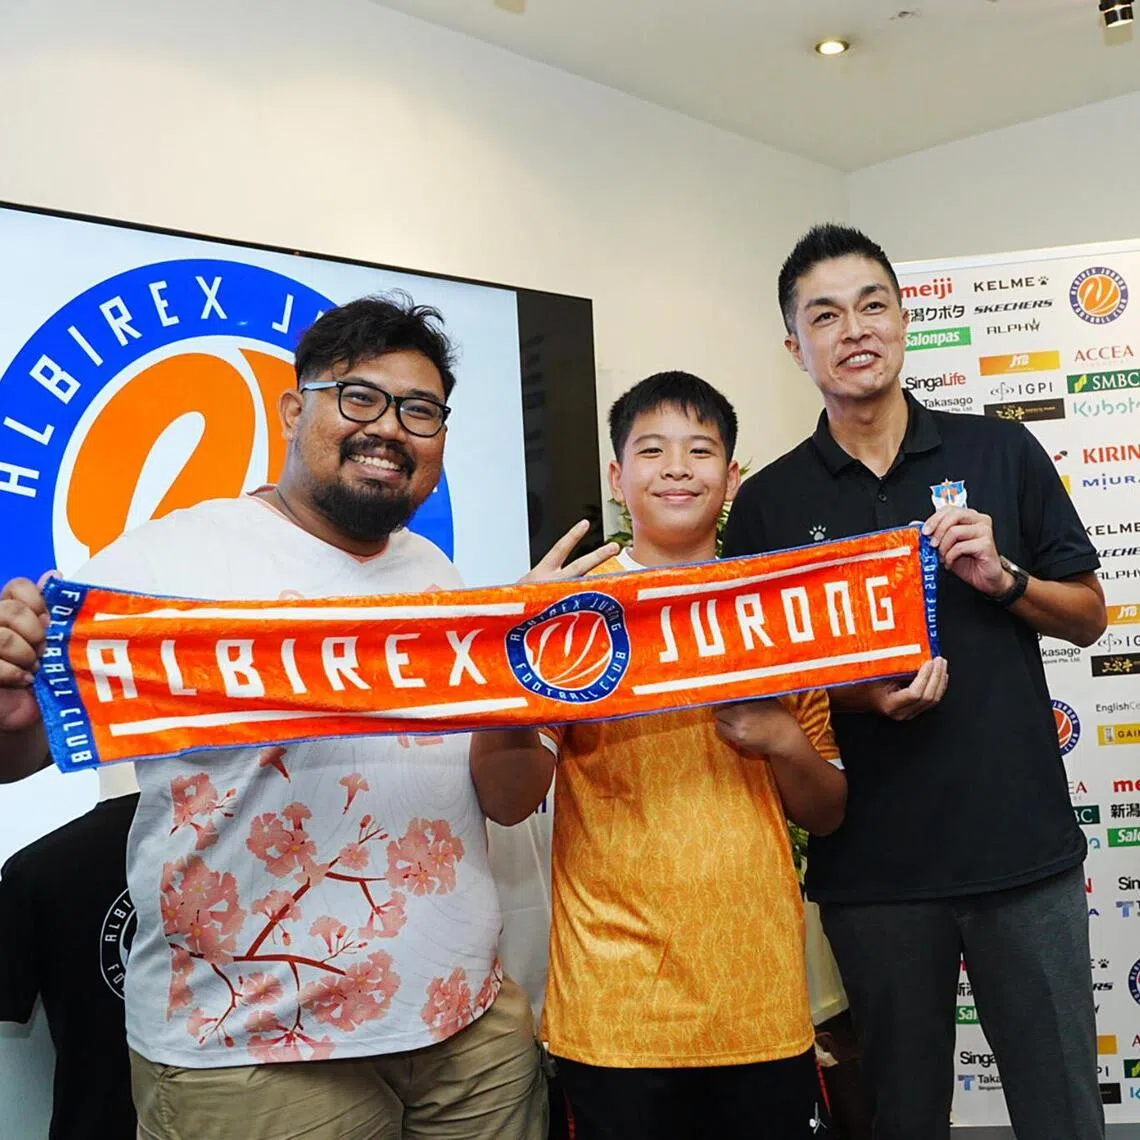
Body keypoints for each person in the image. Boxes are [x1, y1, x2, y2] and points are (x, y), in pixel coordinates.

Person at [0, 294, 614, 1140]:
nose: (390, 428)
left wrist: (520, 672)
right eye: (359, 398)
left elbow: (507, 801)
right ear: (296, 409)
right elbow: (21, 748)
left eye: (420, 410)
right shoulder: (166, 562)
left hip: (465, 1033)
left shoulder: (441, 577)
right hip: (250, 1052)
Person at [723, 224, 1107, 1140]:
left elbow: (1089, 616)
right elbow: (762, 689)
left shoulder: (1001, 453)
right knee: (902, 1116)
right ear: (796, 346)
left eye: (871, 305)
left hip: (1024, 855)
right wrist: (862, 699)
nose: (854, 329)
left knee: (1063, 1113)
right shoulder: (772, 504)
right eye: (825, 315)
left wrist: (1005, 579)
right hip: (877, 871)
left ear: (903, 318)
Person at [535, 371, 846, 1139]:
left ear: (732, 475)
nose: (677, 467)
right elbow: (505, 795)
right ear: (617, 475)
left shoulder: (776, 609)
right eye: (652, 449)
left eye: (700, 450)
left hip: (760, 1004)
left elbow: (829, 809)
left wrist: (781, 741)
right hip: (614, 1010)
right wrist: (514, 655)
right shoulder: (569, 611)